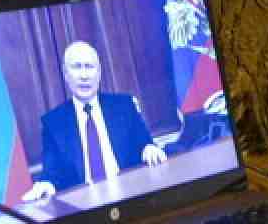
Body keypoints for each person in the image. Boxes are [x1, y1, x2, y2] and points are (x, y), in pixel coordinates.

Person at [24, 41, 166, 201]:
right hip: (85, 206)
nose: (84, 76)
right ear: (66, 75)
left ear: (99, 73)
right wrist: (46, 185)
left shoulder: (124, 106)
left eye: (89, 67)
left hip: (130, 197)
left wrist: (149, 148)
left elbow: (145, 143)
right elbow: (51, 173)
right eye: (77, 67)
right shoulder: (53, 123)